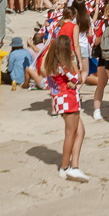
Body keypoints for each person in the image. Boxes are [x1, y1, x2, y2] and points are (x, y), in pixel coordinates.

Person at [41, 35, 88, 182]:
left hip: (60, 99)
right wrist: (74, 62)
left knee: (79, 131)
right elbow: (78, 78)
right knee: (71, 133)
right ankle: (68, 167)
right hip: (68, 99)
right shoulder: (63, 65)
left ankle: (72, 165)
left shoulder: (52, 63)